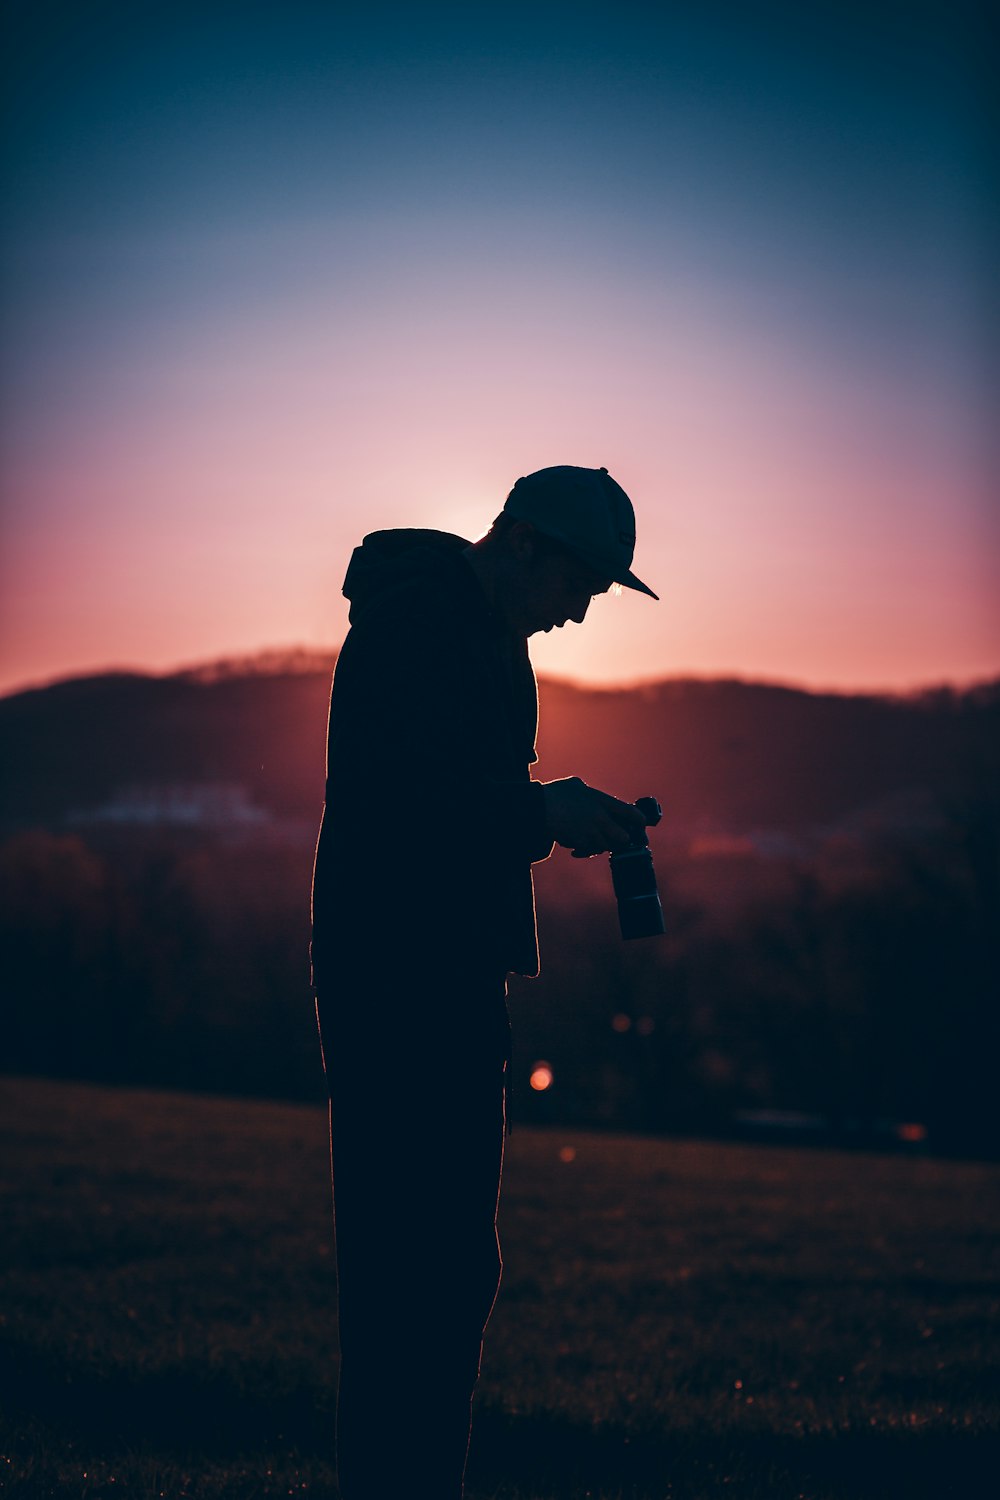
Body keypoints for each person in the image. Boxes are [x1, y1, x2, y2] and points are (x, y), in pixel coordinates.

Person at [310, 464, 658, 1498]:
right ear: (519, 545)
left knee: (444, 1273)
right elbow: (407, 801)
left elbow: (453, 788)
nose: (581, 611)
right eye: (580, 583)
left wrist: (544, 807)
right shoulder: (420, 622)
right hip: (401, 986)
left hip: (440, 981)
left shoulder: (470, 630)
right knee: (415, 1276)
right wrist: (537, 815)